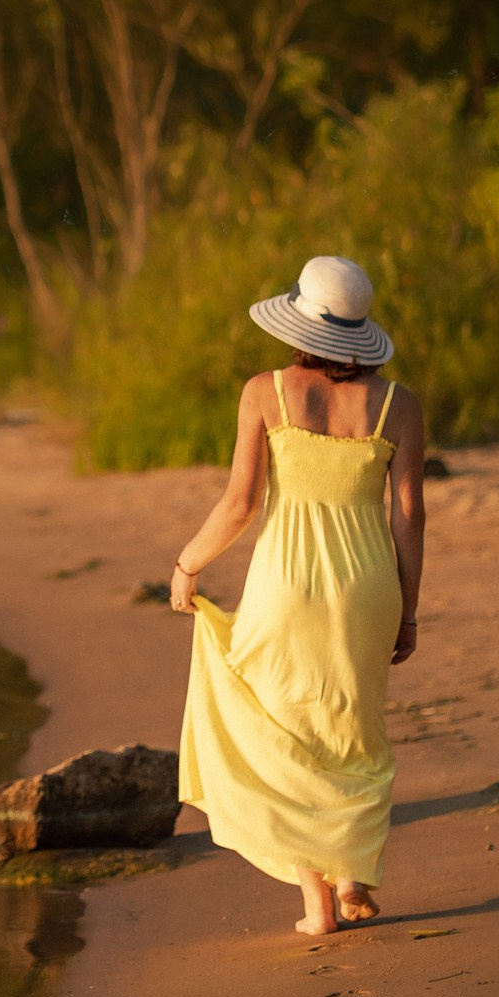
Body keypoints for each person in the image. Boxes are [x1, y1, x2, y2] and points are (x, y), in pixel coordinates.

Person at [169, 255, 425, 937]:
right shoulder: (398, 405)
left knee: (285, 731)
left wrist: (187, 564)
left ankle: (318, 907)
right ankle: (353, 871)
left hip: (283, 584)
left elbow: (239, 504)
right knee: (353, 727)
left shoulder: (266, 392)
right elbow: (408, 520)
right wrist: (408, 610)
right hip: (368, 586)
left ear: (299, 323)